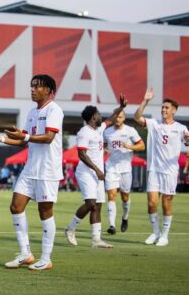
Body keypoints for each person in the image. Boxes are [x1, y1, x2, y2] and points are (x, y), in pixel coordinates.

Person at [0, 74, 63, 271]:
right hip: (30, 168)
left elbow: (48, 138)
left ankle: (46, 258)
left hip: (47, 170)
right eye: (32, 86)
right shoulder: (31, 112)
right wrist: (1, 139)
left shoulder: (54, 110)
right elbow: (23, 140)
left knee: (45, 212)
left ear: (48, 90)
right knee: (15, 206)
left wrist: (25, 135)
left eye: (37, 87)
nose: (32, 89)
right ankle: (26, 253)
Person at [64, 97, 126, 249]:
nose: (101, 116)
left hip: (97, 174)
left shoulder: (98, 129)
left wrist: (121, 107)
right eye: (98, 114)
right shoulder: (84, 132)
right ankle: (70, 229)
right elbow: (82, 155)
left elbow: (111, 119)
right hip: (86, 173)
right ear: (93, 117)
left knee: (97, 206)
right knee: (90, 203)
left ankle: (96, 240)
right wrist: (98, 170)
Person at [133, 87, 189, 246]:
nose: (164, 110)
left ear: (174, 111)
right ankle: (155, 232)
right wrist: (146, 100)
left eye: (167, 108)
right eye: (163, 107)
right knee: (151, 202)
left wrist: (188, 139)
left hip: (170, 171)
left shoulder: (180, 128)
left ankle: (164, 235)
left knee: (166, 203)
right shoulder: (154, 124)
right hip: (154, 170)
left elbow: (187, 142)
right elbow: (137, 117)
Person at [103, 110, 145, 234]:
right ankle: (112, 225)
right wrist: (105, 149)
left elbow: (142, 146)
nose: (117, 119)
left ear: (124, 118)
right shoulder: (107, 132)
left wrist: (130, 146)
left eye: (120, 117)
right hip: (111, 167)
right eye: (116, 117)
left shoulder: (130, 131)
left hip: (126, 169)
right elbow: (105, 145)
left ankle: (125, 218)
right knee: (111, 195)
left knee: (125, 197)